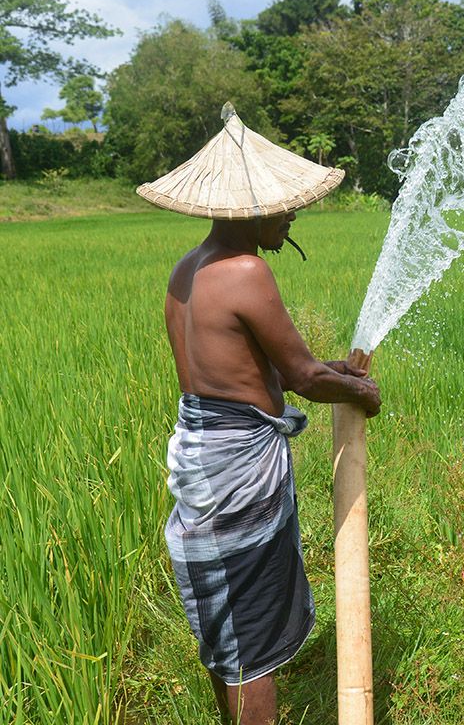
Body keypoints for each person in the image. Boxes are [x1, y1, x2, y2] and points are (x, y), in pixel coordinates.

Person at [139, 105, 377, 724]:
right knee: (254, 640)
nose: (293, 213)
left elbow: (243, 372)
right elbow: (299, 378)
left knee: (230, 632)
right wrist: (359, 393)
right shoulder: (247, 270)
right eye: (285, 205)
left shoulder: (187, 269)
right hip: (237, 471)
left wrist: (331, 371)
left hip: (202, 456)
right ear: (254, 209)